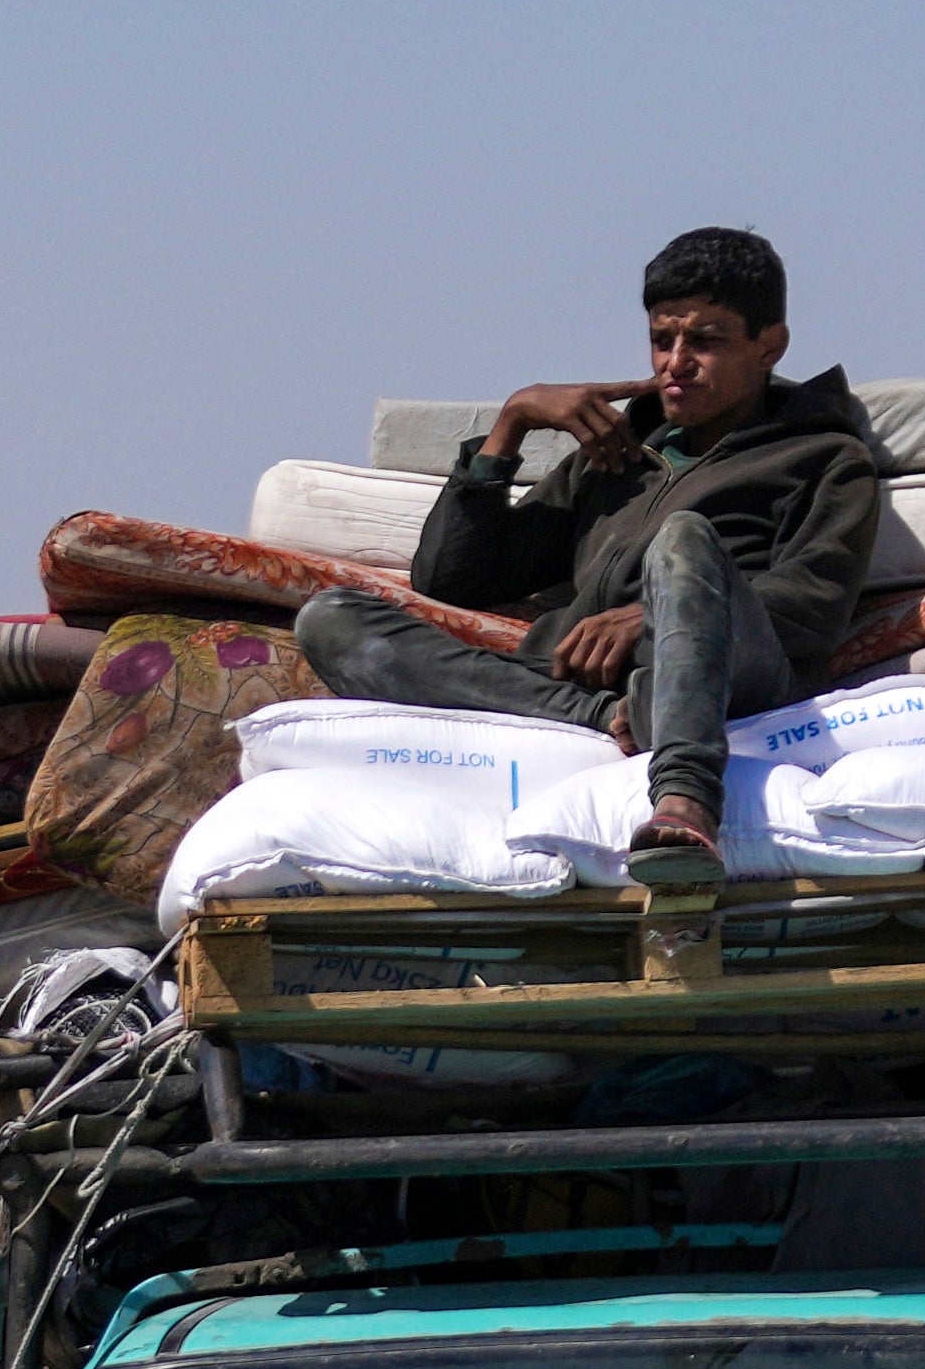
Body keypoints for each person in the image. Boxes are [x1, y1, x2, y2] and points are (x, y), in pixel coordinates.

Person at [293, 228, 885, 885]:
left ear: (768, 346)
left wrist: (653, 612)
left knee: (684, 538)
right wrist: (512, 422)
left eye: (705, 340)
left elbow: (815, 603)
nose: (675, 361)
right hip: (582, 687)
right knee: (331, 619)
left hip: (724, 677)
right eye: (663, 339)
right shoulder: (617, 453)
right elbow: (452, 579)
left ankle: (685, 801)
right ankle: (612, 720)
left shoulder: (825, 458)